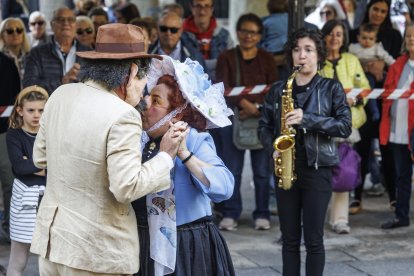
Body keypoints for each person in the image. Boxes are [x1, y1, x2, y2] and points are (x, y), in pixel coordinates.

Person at [30, 23, 187, 275]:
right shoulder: (123, 114)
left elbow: (40, 157)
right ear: (132, 72)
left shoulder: (60, 94)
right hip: (96, 250)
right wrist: (166, 156)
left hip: (53, 241)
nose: (143, 92)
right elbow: (127, 187)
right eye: (143, 82)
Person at [258, 28, 352, 276]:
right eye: (297, 49)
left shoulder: (331, 88)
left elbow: (344, 126)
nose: (302, 55)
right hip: (285, 168)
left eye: (308, 50)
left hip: (317, 170)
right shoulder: (278, 90)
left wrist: (308, 118)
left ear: (319, 55)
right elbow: (264, 126)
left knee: (313, 240)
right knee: (288, 239)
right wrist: (272, 149)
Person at [133, 55, 235, 276]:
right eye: (148, 97)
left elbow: (224, 188)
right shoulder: (139, 139)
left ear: (176, 113)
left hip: (187, 244)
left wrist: (185, 154)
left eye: (156, 101)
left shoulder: (195, 139)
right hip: (142, 240)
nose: (145, 104)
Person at [215, 13, 278, 231]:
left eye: (253, 32)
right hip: (233, 117)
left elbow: (273, 89)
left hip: (261, 120)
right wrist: (244, 104)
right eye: (244, 31)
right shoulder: (226, 57)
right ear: (238, 32)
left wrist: (255, 109)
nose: (248, 36)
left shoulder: (267, 59)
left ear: (260, 36)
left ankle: (262, 213)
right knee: (233, 170)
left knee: (262, 172)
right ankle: (231, 212)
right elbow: (222, 86)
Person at [320, 19, 370, 234]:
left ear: (344, 38)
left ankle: (340, 219)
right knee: (321, 172)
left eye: (339, 34)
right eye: (331, 33)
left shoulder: (351, 60)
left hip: (348, 125)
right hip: (322, 127)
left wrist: (356, 100)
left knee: (345, 170)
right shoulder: (317, 62)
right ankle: (318, 215)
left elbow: (365, 88)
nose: (334, 38)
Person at [6, 85, 48, 276]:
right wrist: (46, 165)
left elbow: (61, 166)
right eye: (31, 110)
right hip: (24, 201)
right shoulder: (14, 135)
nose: (36, 115)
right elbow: (20, 168)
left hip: (49, 200)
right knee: (18, 260)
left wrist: (30, 163)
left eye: (41, 110)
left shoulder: (51, 134)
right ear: (20, 111)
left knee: (48, 261)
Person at [379, 23, 414, 229]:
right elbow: (386, 93)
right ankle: (401, 216)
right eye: (408, 35)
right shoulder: (397, 64)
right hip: (398, 130)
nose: (411, 38)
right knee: (402, 175)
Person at [23, 7, 91, 94]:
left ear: (76, 25)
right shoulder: (37, 53)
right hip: (48, 106)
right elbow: (28, 86)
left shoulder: (89, 54)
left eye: (70, 20)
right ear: (52, 25)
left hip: (80, 105)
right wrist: (61, 81)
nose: (66, 23)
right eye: (60, 19)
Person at [183, 0, 234, 81]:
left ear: (212, 9)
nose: (202, 11)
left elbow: (232, 64)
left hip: (220, 87)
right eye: (198, 6)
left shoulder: (225, 36)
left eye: (206, 6)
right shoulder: (180, 35)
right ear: (191, 8)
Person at [0, 50, 21, 244]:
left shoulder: (6, 63)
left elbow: (16, 96)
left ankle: (10, 229)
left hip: (4, 132)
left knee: (9, 183)